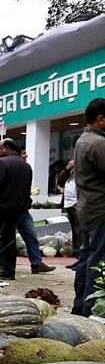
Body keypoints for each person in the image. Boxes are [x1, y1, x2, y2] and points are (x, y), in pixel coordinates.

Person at [72, 98, 105, 316]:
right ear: (101, 120)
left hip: (87, 209)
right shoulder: (99, 143)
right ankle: (91, 309)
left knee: (86, 259)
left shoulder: (84, 139)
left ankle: (80, 308)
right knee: (98, 262)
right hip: (100, 210)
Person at [0, 139, 32, 281]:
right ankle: (10, 271)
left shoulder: (2, 163)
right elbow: (26, 190)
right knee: (9, 240)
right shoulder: (26, 166)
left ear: (7, 148)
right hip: (16, 210)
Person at [14, 148, 56, 275]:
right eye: (23, 153)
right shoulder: (11, 169)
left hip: (24, 211)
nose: (26, 155)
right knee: (6, 239)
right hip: (13, 211)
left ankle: (36, 263)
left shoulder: (26, 169)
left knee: (31, 237)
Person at [62, 160, 85, 269]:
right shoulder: (70, 173)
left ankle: (82, 259)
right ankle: (78, 258)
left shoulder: (83, 172)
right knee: (75, 233)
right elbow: (60, 182)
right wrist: (67, 168)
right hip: (69, 205)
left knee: (80, 232)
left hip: (77, 205)